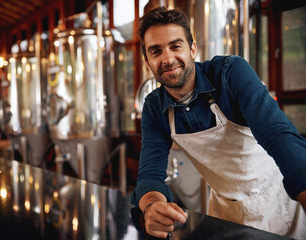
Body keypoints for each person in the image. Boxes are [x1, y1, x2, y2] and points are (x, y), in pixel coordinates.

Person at [131, 7, 306, 239]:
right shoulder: (154, 107)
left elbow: (277, 135)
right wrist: (151, 206)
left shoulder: (230, 73)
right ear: (147, 61)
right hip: (225, 214)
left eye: (176, 46)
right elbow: (150, 175)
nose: (168, 59)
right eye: (156, 51)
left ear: (192, 48)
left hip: (281, 202)